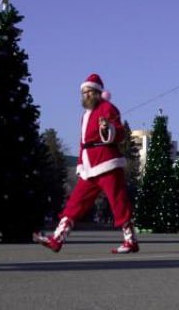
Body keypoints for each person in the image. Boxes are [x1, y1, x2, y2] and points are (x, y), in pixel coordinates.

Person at [34, 74, 139, 254]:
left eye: (89, 91)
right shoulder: (85, 115)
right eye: (83, 93)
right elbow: (83, 143)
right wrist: (81, 165)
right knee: (75, 203)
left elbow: (120, 133)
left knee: (118, 202)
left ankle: (130, 241)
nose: (86, 95)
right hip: (89, 168)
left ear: (98, 92)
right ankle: (57, 239)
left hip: (107, 164)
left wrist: (108, 128)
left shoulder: (108, 107)